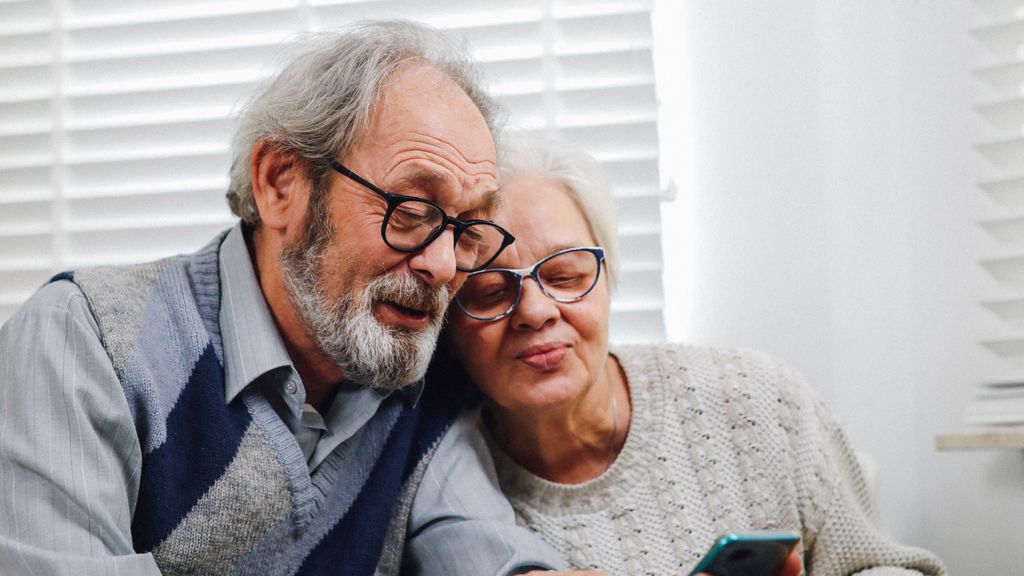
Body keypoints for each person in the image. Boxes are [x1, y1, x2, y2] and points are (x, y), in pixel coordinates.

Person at [0, 20, 570, 576]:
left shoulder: (423, 380)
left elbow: (480, 545)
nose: (445, 265)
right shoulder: (84, 342)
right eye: (412, 211)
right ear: (281, 184)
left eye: (469, 229)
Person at [433, 133, 949, 576]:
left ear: (608, 281)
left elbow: (882, 563)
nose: (537, 311)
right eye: (489, 293)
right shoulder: (442, 495)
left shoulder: (761, 399)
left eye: (566, 275)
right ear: (447, 323)